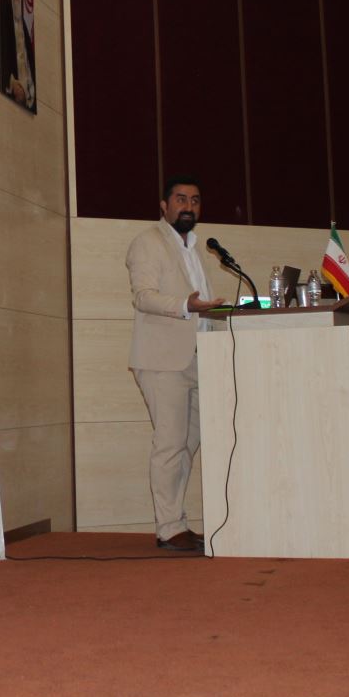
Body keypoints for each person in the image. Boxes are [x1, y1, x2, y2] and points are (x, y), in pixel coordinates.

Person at [125, 175, 225, 552]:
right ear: (164, 206)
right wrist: (187, 305)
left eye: (195, 200)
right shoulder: (148, 242)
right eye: (181, 199)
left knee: (186, 446)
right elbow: (144, 297)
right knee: (169, 444)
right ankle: (168, 529)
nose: (188, 206)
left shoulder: (197, 248)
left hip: (200, 359)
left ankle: (176, 521)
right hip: (162, 359)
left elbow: (203, 305)